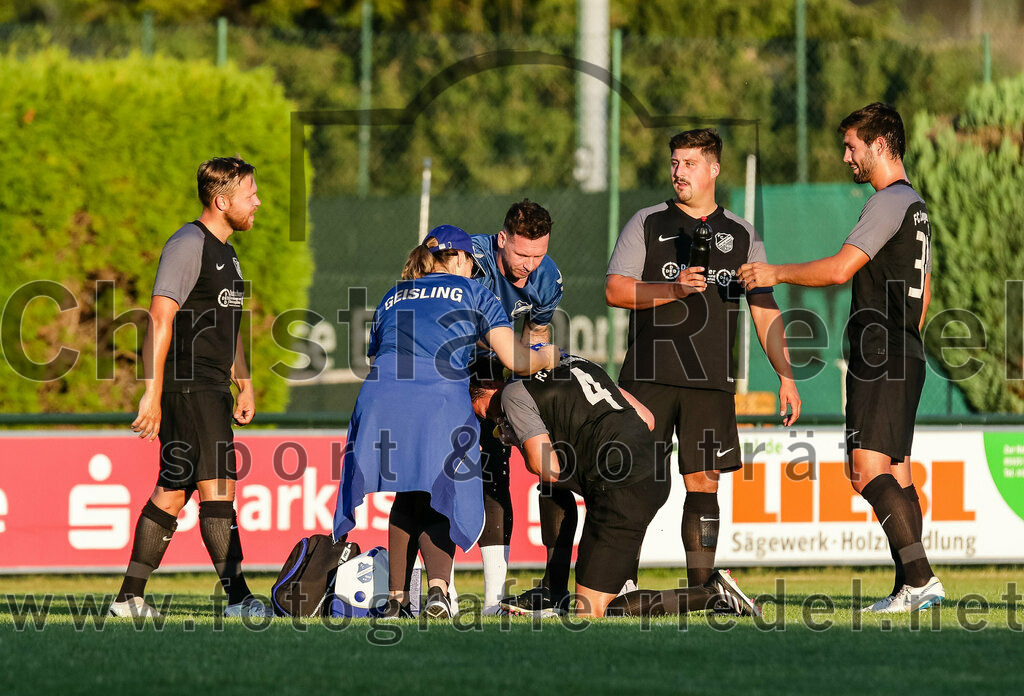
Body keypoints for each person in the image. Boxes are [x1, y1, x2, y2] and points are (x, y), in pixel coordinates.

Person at [738, 103, 944, 612]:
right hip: (906, 348)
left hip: (883, 350)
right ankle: (908, 588)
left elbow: (838, 270)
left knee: (865, 470)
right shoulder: (916, 206)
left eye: (852, 145)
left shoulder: (888, 200)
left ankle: (922, 580)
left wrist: (775, 274)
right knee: (896, 472)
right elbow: (928, 287)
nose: (845, 155)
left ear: (879, 145)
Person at [605, 128, 801, 612]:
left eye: (689, 163)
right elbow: (614, 290)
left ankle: (702, 591)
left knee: (704, 481)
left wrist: (786, 375)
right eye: (674, 162)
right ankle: (621, 582)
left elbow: (764, 308)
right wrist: (671, 290)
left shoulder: (741, 234)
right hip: (647, 376)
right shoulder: (647, 222)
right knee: (633, 481)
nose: (678, 172)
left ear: (713, 169)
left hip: (709, 382)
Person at [332, 225, 559, 619]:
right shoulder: (474, 291)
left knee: (408, 493)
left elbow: (377, 354)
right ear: (457, 258)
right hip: (438, 400)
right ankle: (438, 590)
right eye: (470, 260)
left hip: (380, 398)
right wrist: (549, 356)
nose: (473, 268)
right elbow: (517, 360)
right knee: (442, 491)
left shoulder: (393, 293)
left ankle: (397, 599)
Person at [470, 356, 760, 618]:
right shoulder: (576, 362)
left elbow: (546, 468)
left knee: (592, 610)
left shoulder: (512, 394)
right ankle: (554, 591)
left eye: (482, 410)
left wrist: (520, 440)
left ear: (489, 385)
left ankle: (712, 594)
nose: (489, 419)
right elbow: (647, 418)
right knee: (555, 494)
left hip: (619, 485)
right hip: (654, 470)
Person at [110, 157, 264, 619]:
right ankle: (239, 600)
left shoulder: (229, 253)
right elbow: (159, 317)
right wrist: (151, 392)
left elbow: (229, 322)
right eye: (250, 194)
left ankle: (128, 598)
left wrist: (245, 381)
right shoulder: (187, 243)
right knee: (219, 486)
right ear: (222, 201)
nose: (257, 201)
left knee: (173, 491)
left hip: (213, 386)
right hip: (189, 385)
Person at [469, 200, 577, 615]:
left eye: (538, 254)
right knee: (436, 474)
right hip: (444, 369)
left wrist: (514, 394)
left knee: (499, 467)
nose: (529, 265)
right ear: (501, 240)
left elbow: (535, 337)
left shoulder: (546, 277)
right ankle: (422, 591)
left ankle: (509, 595)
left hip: (501, 370)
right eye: (521, 254)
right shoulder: (468, 258)